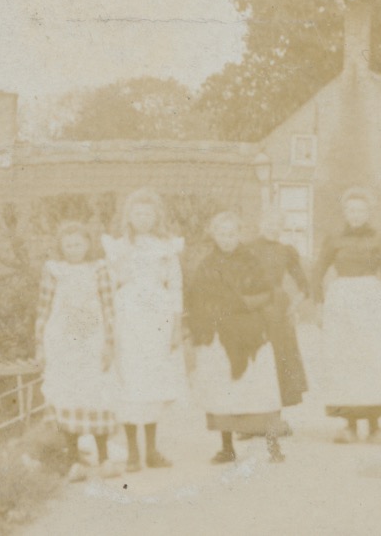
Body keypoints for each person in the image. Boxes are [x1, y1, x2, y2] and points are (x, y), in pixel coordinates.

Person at [186, 211, 286, 464]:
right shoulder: (207, 264)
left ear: (239, 235)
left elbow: (267, 292)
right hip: (219, 334)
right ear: (214, 235)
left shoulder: (251, 260)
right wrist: (203, 324)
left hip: (250, 332)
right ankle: (227, 447)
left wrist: (243, 303)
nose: (227, 239)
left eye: (231, 234)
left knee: (260, 389)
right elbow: (195, 298)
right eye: (222, 234)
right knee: (224, 390)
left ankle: (273, 446)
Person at [103, 188, 186, 472]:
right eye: (138, 214)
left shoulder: (167, 247)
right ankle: (132, 452)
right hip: (128, 316)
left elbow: (176, 286)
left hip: (158, 318)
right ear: (129, 217)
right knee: (129, 379)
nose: (143, 219)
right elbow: (109, 285)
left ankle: (151, 450)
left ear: (157, 217)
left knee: (152, 381)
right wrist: (109, 326)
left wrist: (176, 326)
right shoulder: (118, 247)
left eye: (148, 214)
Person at [312, 187, 381, 445]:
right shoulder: (334, 239)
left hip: (371, 300)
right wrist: (319, 305)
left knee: (372, 359)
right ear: (345, 212)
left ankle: (375, 427)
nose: (356, 215)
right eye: (351, 210)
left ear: (368, 212)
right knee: (346, 360)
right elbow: (318, 271)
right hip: (341, 302)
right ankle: (349, 427)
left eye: (361, 210)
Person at [34, 222, 121, 482]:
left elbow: (108, 306)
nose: (74, 250)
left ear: (88, 245)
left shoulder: (99, 269)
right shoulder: (54, 270)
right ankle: (74, 461)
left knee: (97, 393)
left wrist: (109, 342)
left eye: (78, 244)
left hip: (92, 340)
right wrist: (39, 344)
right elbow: (43, 307)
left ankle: (104, 458)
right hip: (62, 342)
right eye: (68, 245)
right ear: (61, 247)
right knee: (67, 395)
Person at [248, 208, 310, 420]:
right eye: (268, 222)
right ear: (260, 223)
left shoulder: (286, 251)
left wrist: (293, 306)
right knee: (253, 359)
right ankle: (250, 417)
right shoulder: (247, 249)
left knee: (278, 358)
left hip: (277, 309)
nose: (272, 228)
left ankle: (274, 418)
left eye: (277, 224)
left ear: (282, 228)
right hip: (253, 306)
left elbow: (304, 285)